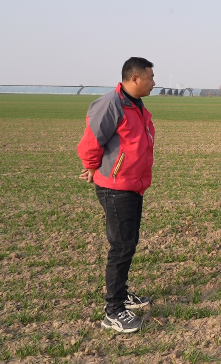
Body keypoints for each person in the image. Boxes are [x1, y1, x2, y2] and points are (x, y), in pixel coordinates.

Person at [77, 57, 156, 333]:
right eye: (150, 77)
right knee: (121, 246)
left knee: (128, 243)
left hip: (132, 184)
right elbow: (91, 140)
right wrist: (91, 166)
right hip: (116, 186)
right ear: (135, 78)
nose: (154, 82)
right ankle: (113, 311)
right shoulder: (111, 103)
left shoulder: (135, 104)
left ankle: (121, 294)